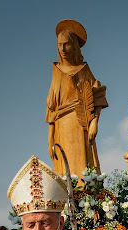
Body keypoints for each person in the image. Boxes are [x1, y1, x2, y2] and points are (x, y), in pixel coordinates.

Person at [46, 19, 107, 177]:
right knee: (63, 168)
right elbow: (51, 109)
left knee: (83, 167)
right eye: (60, 45)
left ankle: (86, 197)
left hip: (81, 123)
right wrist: (50, 139)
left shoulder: (84, 70)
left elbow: (98, 96)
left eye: (66, 44)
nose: (63, 49)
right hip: (61, 128)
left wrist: (94, 123)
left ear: (74, 45)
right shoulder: (56, 71)